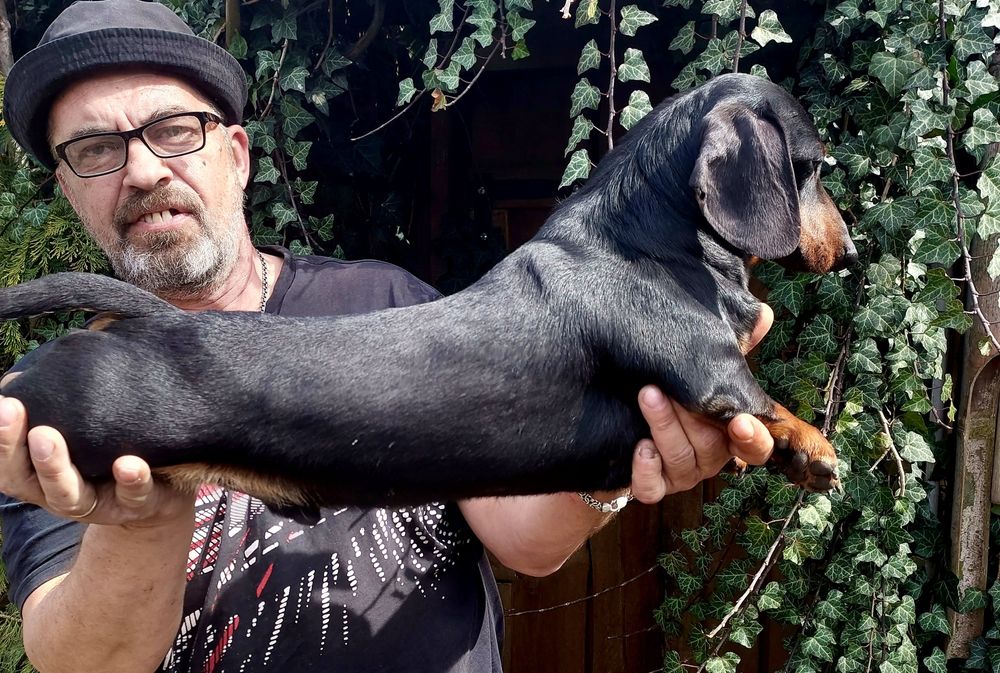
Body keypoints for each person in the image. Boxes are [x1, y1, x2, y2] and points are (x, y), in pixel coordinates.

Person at [0, 1, 775, 672]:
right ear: (68, 188)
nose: (141, 170)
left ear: (236, 156)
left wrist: (611, 469)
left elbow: (526, 540)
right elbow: (84, 660)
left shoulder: (386, 300)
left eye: (173, 129)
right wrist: (140, 519)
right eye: (95, 150)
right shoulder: (61, 408)